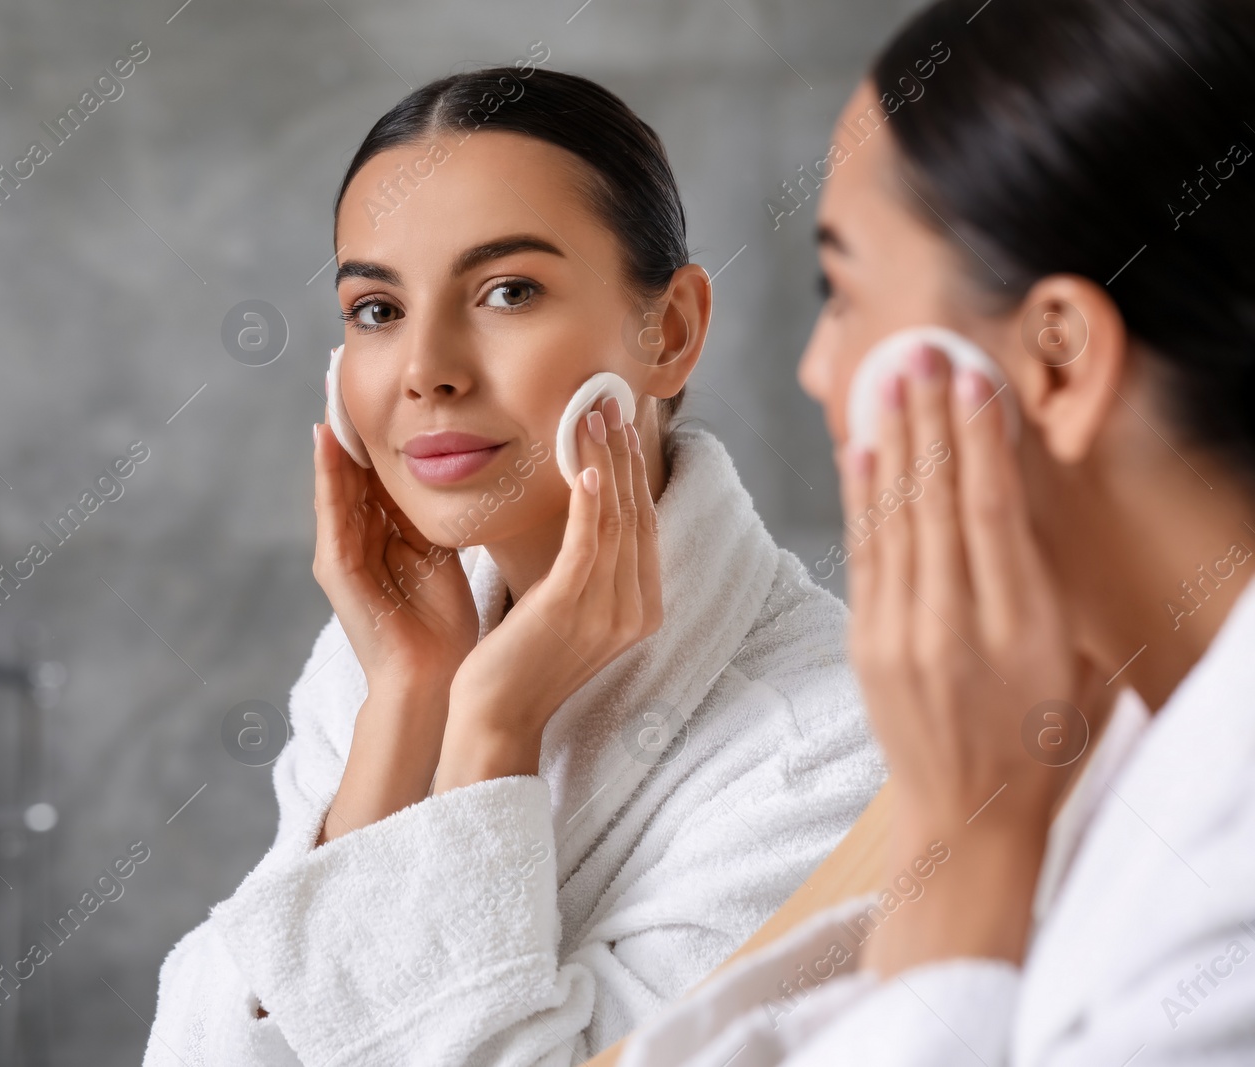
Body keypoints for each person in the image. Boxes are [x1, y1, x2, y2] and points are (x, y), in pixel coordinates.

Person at [142, 68, 884, 1065]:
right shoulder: (374, 669)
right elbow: (211, 1042)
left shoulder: (834, 747)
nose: (425, 366)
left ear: (669, 332)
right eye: (375, 308)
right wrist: (406, 707)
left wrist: (492, 731)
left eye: (507, 291)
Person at [617, 0, 1255, 1063]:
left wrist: (969, 846)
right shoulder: (1104, 737)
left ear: (1055, 356)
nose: (818, 369)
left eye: (844, 288)